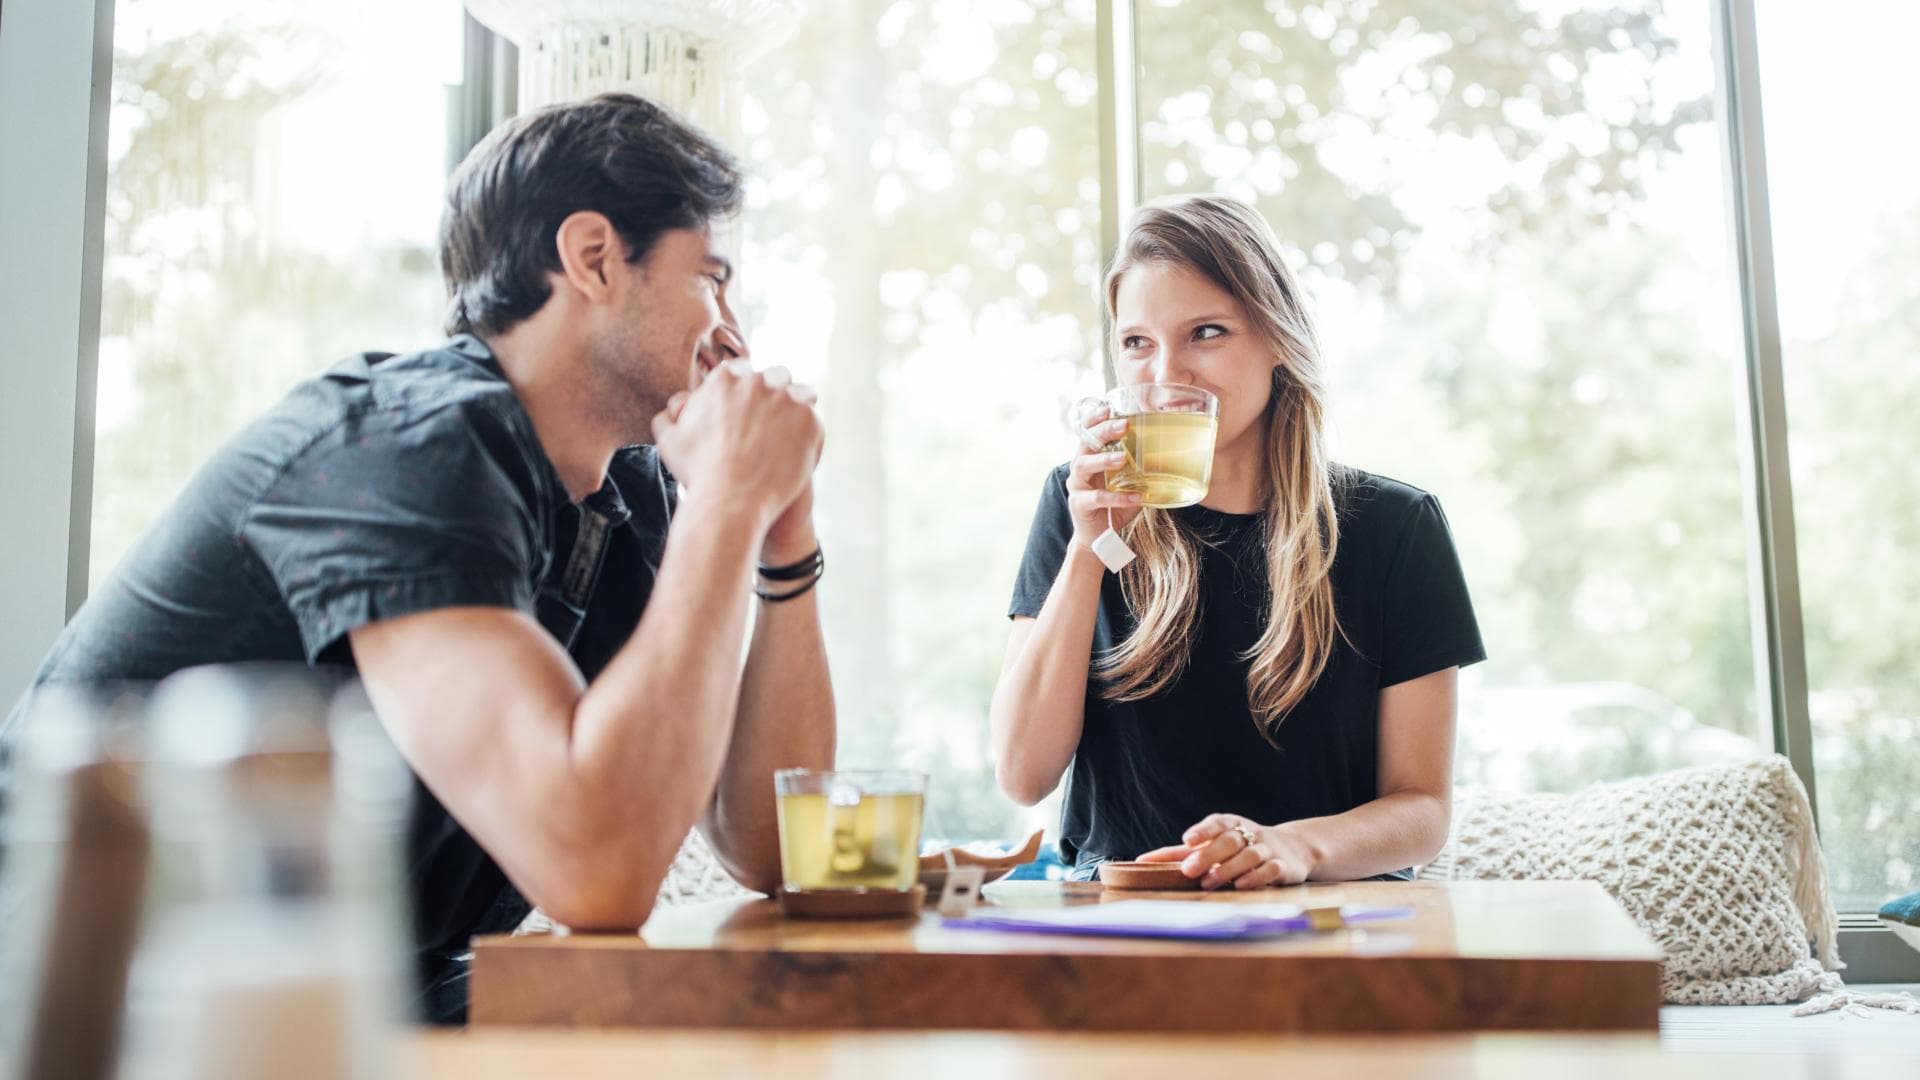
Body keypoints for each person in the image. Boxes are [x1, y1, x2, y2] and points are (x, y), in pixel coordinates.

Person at [2, 92, 834, 1022]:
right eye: (711, 279)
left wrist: (781, 537)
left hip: (360, 1006)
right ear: (594, 257)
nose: (732, 330)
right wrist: (728, 500)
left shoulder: (634, 492)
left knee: (748, 1017)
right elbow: (595, 869)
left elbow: (774, 844)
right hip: (118, 1022)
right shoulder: (408, 446)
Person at [990, 194, 1483, 888]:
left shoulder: (1396, 528)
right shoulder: (1076, 507)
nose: (1166, 375)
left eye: (1207, 333)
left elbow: (1422, 810)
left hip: (1322, 922)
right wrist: (1085, 554)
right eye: (1137, 343)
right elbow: (1022, 773)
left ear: (1277, 338)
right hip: (1121, 919)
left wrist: (1292, 848)